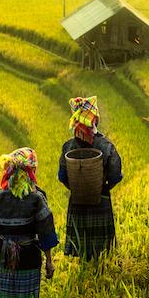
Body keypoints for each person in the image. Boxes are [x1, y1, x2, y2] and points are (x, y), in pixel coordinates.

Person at [0, 147, 58, 298]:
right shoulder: (36, 198)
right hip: (28, 256)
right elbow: (45, 232)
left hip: (3, 255)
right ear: (31, 171)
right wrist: (49, 261)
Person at [58, 96, 123, 260]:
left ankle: (85, 268)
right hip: (100, 199)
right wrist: (103, 187)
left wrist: (76, 187)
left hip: (77, 200)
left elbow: (62, 176)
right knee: (102, 251)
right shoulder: (106, 145)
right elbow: (116, 175)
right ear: (95, 119)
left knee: (82, 246)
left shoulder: (68, 146)